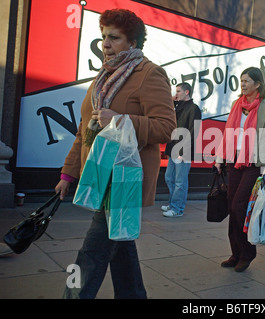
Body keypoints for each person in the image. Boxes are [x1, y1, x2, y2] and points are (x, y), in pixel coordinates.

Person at [54, 9, 176, 299]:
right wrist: (68, 173)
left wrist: (121, 120)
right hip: (97, 174)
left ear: (132, 42)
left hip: (123, 179)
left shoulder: (149, 74)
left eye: (114, 38)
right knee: (119, 244)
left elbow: (167, 128)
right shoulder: (102, 78)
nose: (106, 44)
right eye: (103, 37)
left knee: (92, 253)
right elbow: (85, 128)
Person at [214, 67, 265, 272]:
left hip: (253, 164)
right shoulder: (236, 105)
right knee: (231, 207)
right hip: (234, 162)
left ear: (258, 84)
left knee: (239, 207)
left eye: (247, 81)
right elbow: (228, 133)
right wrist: (220, 158)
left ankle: (248, 252)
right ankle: (236, 253)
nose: (242, 84)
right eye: (241, 81)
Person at [162, 82, 201, 217]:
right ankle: (173, 203)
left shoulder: (194, 109)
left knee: (180, 181)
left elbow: (193, 131)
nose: (176, 94)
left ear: (187, 92)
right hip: (173, 147)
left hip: (183, 150)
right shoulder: (178, 107)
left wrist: (184, 151)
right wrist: (171, 103)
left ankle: (177, 209)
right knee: (169, 178)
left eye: (178, 91)